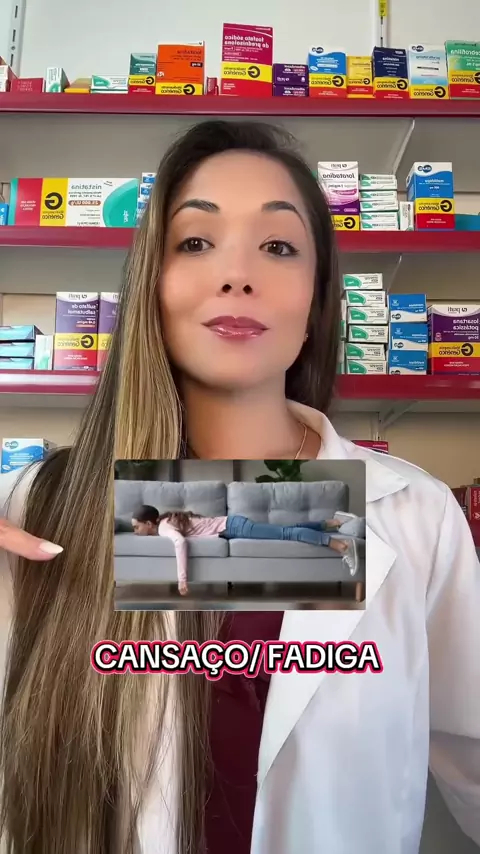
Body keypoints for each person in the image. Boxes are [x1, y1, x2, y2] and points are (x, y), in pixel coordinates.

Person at [0, 119, 478, 854]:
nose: (237, 275)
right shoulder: (36, 508)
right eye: (196, 242)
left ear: (317, 302)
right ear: (150, 286)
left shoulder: (414, 517)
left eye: (279, 246)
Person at [130, 504, 360, 595]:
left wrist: (182, 580)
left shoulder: (163, 528)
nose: (135, 531)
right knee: (286, 530)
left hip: (234, 527)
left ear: (149, 523)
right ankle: (333, 522)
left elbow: (180, 542)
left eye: (136, 527)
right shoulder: (164, 522)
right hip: (233, 526)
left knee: (286, 534)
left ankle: (341, 546)